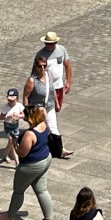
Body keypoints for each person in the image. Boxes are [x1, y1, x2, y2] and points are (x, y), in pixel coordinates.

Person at [0, 105, 55, 220]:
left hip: (31, 166)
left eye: (25, 115)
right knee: (42, 190)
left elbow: (22, 153)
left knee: (18, 191)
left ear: (29, 117)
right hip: (45, 159)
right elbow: (42, 110)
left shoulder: (29, 134)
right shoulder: (43, 124)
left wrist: (15, 143)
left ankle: (10, 217)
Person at [26, 31, 74, 159]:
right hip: (42, 91)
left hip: (56, 88)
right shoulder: (40, 54)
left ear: (56, 42)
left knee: (53, 115)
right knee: (47, 122)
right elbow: (33, 72)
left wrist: (68, 82)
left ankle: (51, 141)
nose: (49, 46)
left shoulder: (61, 50)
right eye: (47, 43)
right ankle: (53, 144)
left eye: (51, 43)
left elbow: (68, 66)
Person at [0, 87, 25, 166]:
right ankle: (17, 162)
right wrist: (7, 117)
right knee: (13, 141)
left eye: (13, 100)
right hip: (8, 126)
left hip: (15, 126)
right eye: (9, 100)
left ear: (17, 98)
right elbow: (1, 117)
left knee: (11, 143)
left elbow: (24, 114)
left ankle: (5, 156)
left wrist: (18, 115)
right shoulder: (5, 107)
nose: (10, 102)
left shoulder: (19, 105)